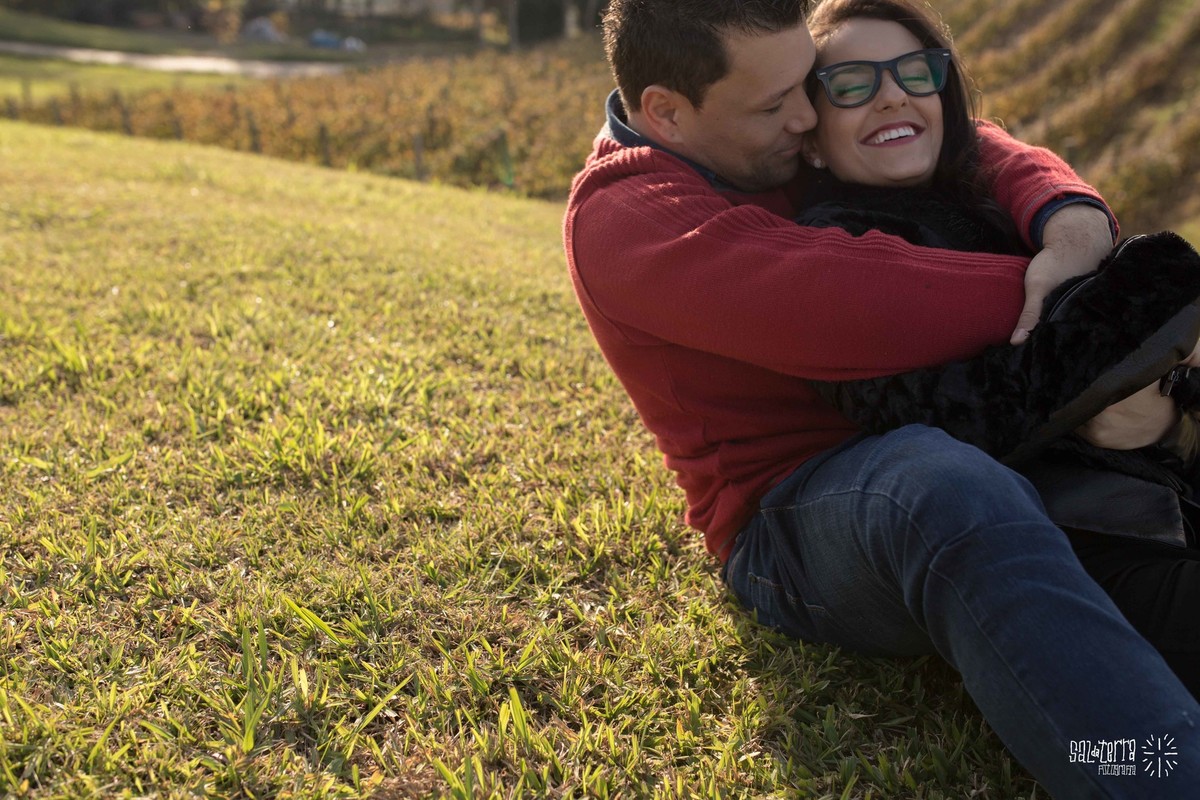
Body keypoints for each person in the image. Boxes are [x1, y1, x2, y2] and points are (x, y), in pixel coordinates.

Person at [563, 0, 1200, 795]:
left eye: (810, 87)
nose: (805, 116)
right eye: (777, 103)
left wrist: (1070, 223)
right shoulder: (628, 222)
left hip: (968, 440)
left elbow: (979, 142)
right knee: (939, 486)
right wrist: (1112, 302)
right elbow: (858, 299)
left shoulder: (762, 137)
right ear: (667, 112)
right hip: (793, 515)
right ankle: (1166, 773)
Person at [792, 0, 1200, 702]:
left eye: (915, 72)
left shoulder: (1003, 207)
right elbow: (936, 418)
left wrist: (1169, 421)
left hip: (1161, 488)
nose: (893, 93)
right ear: (812, 137)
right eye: (854, 83)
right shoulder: (835, 257)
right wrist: (1097, 375)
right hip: (1081, 538)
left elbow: (1159, 371)